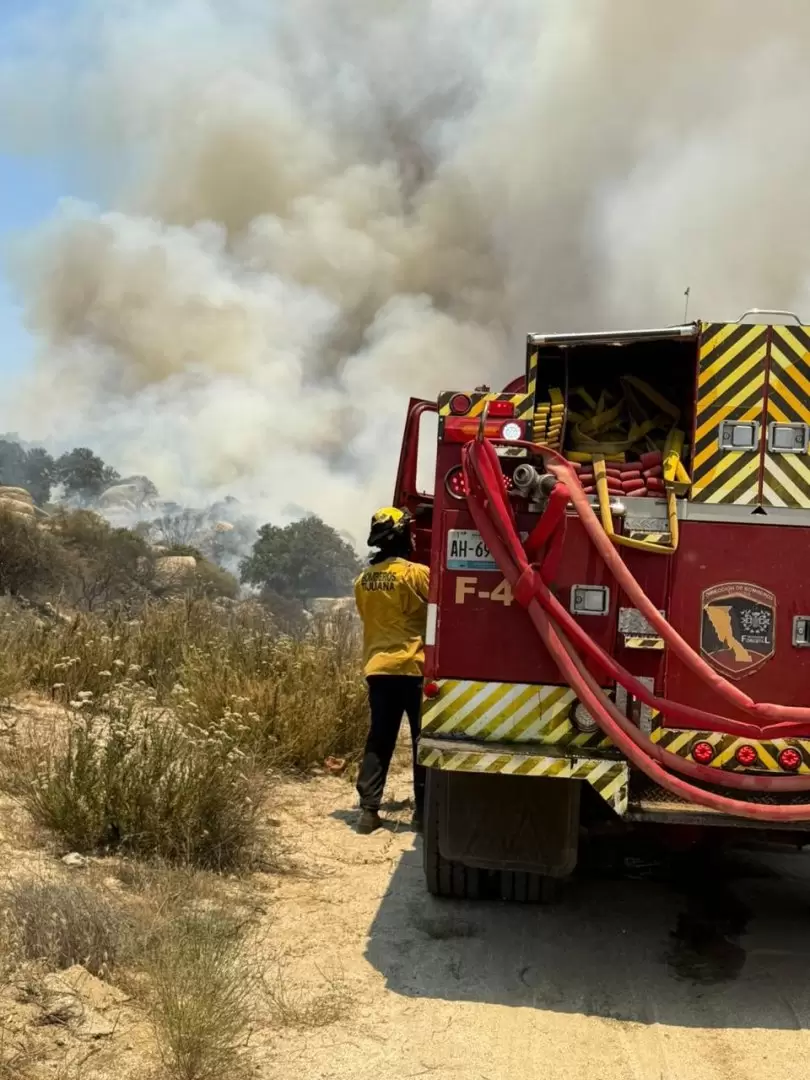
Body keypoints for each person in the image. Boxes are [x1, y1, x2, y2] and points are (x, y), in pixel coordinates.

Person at [353, 506, 430, 835]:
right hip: (413, 668)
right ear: (403, 536)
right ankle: (422, 814)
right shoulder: (416, 574)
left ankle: (369, 812)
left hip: (378, 669)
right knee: (421, 741)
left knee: (379, 739)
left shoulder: (362, 580)